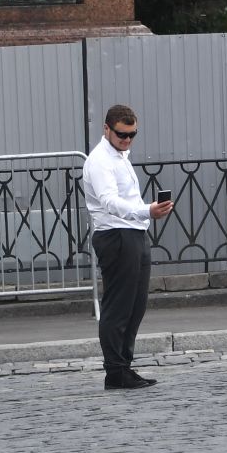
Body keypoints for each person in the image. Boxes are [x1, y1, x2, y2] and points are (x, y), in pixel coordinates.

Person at [83, 104, 173, 391]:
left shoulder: (120, 156)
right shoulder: (100, 161)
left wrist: (147, 213)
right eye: (122, 135)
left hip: (134, 233)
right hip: (116, 235)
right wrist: (147, 210)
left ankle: (124, 366)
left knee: (136, 306)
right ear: (106, 129)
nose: (127, 140)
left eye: (133, 134)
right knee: (118, 307)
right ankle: (115, 371)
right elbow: (109, 201)